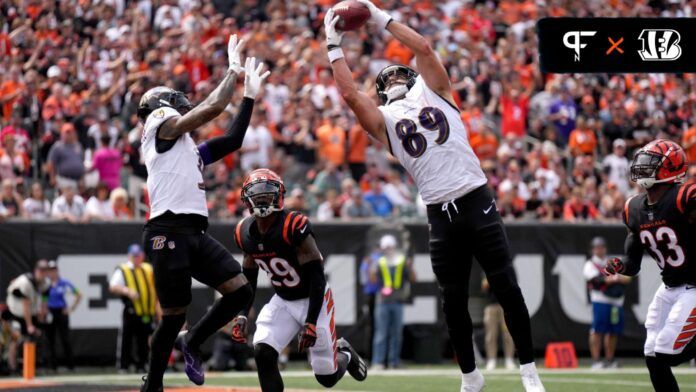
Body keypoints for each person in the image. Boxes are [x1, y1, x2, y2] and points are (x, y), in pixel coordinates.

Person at [324, 3, 543, 391]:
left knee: (506, 285)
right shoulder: (385, 121)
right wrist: (333, 45)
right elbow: (350, 96)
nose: (392, 78)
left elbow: (423, 48)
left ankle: (528, 372)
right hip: (440, 210)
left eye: (397, 73)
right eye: (385, 77)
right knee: (452, 300)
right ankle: (470, 377)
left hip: (475, 198)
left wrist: (379, 17)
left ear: (411, 78)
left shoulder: (435, 90)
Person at [138, 35, 268, 392]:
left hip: (193, 231)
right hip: (167, 229)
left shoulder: (185, 147)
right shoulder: (158, 127)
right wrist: (233, 71)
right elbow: (210, 109)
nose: (182, 105)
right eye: (177, 102)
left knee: (241, 292)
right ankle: (155, 384)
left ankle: (192, 341)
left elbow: (231, 141)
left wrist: (249, 98)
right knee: (172, 316)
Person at [231, 169, 367, 391]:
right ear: (246, 199)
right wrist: (242, 314)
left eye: (267, 193)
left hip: (313, 298)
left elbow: (316, 276)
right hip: (284, 299)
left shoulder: (293, 225)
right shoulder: (243, 231)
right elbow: (249, 277)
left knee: (326, 378)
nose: (262, 198)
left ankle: (344, 353)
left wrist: (311, 322)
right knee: (263, 351)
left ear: (279, 196)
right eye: (256, 194)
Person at [603, 139, 694, 391]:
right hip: (671, 285)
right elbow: (633, 262)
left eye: (650, 163)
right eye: (642, 161)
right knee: (652, 353)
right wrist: (619, 265)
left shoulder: (684, 197)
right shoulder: (634, 208)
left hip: (694, 285)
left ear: (671, 167)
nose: (642, 167)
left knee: (667, 351)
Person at [109, 244, 157, 374]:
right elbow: (113, 286)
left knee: (144, 340)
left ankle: (142, 364)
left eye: (139, 255)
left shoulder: (147, 268)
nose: (137, 258)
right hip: (131, 310)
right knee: (127, 339)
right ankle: (124, 365)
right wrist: (127, 290)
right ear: (129, 256)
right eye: (134, 256)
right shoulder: (123, 269)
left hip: (147, 311)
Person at [583, 237, 630, 369]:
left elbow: (627, 278)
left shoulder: (611, 262)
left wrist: (613, 278)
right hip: (600, 301)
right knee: (597, 330)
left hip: (616, 301)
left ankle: (610, 360)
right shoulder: (590, 264)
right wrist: (614, 278)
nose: (600, 250)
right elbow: (596, 280)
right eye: (597, 247)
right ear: (592, 249)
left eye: (602, 247)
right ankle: (596, 360)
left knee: (613, 331)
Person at [369, 234, 415, 370]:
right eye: (385, 248)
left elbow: (412, 278)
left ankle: (394, 361)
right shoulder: (379, 261)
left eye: (389, 247)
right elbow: (372, 281)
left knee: (396, 334)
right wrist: (372, 267)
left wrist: (410, 266)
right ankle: (378, 362)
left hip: (398, 301)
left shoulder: (402, 260)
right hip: (382, 301)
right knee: (381, 333)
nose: (387, 250)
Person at [45, 260, 81, 371]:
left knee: (65, 339)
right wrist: (44, 309)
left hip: (61, 312)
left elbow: (79, 294)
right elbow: (43, 298)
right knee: (50, 340)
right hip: (50, 313)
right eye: (50, 270)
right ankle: (53, 366)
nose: (52, 273)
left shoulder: (64, 283)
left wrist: (71, 308)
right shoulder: (46, 285)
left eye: (54, 270)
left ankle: (70, 365)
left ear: (57, 271)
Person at [4, 260, 50, 338]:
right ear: (36, 270)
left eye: (45, 271)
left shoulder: (45, 283)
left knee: (34, 337)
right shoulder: (25, 283)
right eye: (41, 270)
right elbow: (25, 304)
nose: (43, 273)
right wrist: (29, 325)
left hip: (29, 313)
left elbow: (44, 298)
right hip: (14, 313)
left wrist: (42, 313)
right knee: (17, 339)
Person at [481, 276, 515, 371]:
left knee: (507, 334)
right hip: (491, 306)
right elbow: (484, 287)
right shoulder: (486, 269)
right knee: (491, 335)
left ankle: (509, 360)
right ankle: (491, 360)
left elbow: (512, 283)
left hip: (505, 305)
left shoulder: (507, 267)